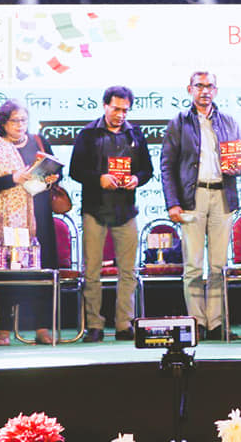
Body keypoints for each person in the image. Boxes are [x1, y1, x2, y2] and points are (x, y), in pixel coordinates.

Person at [161, 71, 241, 341]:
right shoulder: (179, 122)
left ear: (216, 90)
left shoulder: (228, 121)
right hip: (193, 197)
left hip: (222, 195)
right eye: (199, 86)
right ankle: (197, 323)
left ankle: (216, 323)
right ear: (189, 89)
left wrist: (239, 166)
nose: (205, 91)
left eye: (210, 86)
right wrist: (172, 203)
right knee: (193, 265)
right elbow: (167, 166)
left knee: (218, 265)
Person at [70, 86, 153, 343]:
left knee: (128, 271)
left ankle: (124, 324)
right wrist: (99, 179)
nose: (120, 115)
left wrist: (137, 179)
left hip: (126, 210)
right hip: (95, 210)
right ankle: (94, 325)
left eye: (125, 110)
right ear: (105, 105)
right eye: (116, 109)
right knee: (92, 271)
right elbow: (75, 171)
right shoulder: (88, 134)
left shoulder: (135, 134)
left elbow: (147, 170)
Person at [0, 100, 60, 346]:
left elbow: (55, 172)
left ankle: (42, 328)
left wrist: (52, 178)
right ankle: (4, 329)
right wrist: (13, 178)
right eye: (14, 121)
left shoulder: (39, 142)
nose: (20, 125)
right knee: (8, 271)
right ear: (3, 123)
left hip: (38, 218)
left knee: (40, 272)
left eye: (23, 120)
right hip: (7, 222)